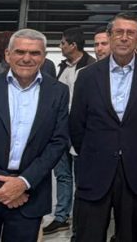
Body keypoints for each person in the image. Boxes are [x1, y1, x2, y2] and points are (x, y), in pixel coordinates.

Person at [0, 29, 71, 241]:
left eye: (34, 53)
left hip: (29, 196)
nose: (27, 58)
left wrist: (23, 183)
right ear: (8, 55)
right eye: (20, 52)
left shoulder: (58, 92)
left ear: (44, 57)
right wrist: (4, 186)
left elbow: (58, 142)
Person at [70, 12, 137, 242]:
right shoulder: (87, 76)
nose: (124, 38)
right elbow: (77, 125)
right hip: (95, 173)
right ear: (109, 36)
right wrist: (92, 153)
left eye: (130, 33)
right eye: (118, 32)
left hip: (135, 175)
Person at [45, 27, 94, 236]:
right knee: (62, 174)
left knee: (82, 175)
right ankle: (61, 216)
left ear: (73, 45)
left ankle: (83, 217)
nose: (60, 46)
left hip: (81, 130)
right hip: (60, 129)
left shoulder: (91, 67)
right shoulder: (62, 67)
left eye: (63, 43)